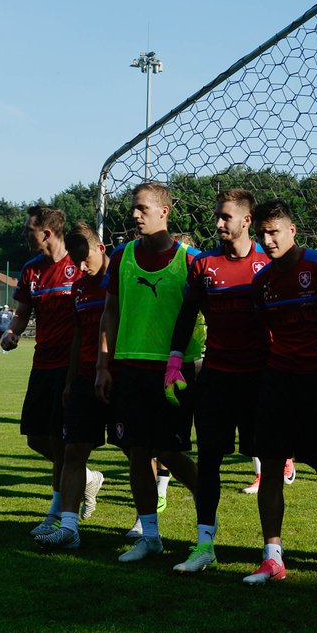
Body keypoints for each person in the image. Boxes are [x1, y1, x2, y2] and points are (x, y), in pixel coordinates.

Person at [243, 200, 317, 584]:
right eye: (262, 233)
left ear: (292, 231)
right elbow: (264, 331)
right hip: (278, 382)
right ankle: (272, 555)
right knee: (272, 465)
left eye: (274, 232)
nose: (267, 240)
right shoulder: (262, 282)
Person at [163, 189, 272, 573]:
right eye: (218, 217)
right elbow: (187, 312)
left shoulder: (270, 263)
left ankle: (272, 553)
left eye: (226, 217)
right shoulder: (204, 264)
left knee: (270, 465)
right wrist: (175, 360)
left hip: (261, 380)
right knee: (208, 460)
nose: (219, 224)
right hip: (217, 378)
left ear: (247, 220)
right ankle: (204, 545)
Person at [95, 182, 202, 562]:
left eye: (142, 208)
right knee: (137, 453)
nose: (135, 215)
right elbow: (110, 311)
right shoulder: (122, 256)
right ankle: (150, 536)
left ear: (164, 212)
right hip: (129, 370)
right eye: (133, 208)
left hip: (174, 373)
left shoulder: (191, 260)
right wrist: (103, 364)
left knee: (170, 453)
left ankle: (207, 517)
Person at [0, 206, 84, 538]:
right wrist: (13, 332)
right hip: (41, 363)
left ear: (46, 233)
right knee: (36, 437)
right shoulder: (31, 270)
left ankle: (57, 512)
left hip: (71, 366)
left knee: (61, 441)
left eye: (28, 230)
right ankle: (84, 476)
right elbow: (22, 313)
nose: (25, 235)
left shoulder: (77, 267)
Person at [34, 222, 112, 550]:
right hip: (82, 378)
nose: (80, 267)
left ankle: (145, 526)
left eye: (85, 259)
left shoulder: (118, 281)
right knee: (72, 450)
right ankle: (69, 527)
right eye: (76, 260)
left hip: (118, 376)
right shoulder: (79, 288)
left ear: (102, 249)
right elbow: (79, 335)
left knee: (142, 452)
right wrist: (69, 381)